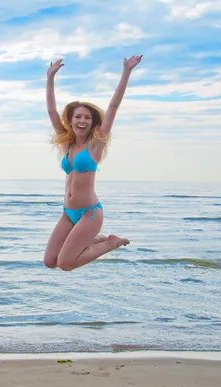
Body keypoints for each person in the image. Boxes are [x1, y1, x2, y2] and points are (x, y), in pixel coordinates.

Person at [43, 55, 143, 271]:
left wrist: (126, 71)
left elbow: (114, 106)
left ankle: (111, 242)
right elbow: (52, 111)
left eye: (87, 118)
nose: (82, 121)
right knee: (50, 262)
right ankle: (92, 240)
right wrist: (50, 78)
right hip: (68, 212)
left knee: (66, 263)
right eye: (78, 116)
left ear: (93, 122)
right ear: (70, 120)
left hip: (89, 212)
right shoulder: (67, 144)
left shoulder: (95, 145)